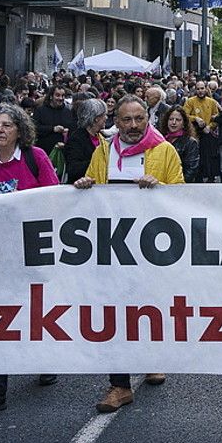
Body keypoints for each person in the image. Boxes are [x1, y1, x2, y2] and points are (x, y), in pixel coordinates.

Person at [74, 95, 184, 412]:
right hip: (114, 246)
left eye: (139, 119)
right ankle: (119, 385)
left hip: (151, 248)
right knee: (115, 312)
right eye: (126, 120)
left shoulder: (164, 151)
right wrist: (85, 185)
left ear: (148, 119)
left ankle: (151, 358)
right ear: (116, 122)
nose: (133, 126)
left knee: (148, 308)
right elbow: (93, 188)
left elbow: (181, 196)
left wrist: (159, 187)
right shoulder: (104, 151)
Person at [0, 105, 62, 419]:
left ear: (19, 130)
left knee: (36, 310)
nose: (0, 130)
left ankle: (44, 359)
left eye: (7, 125)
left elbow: (54, 199)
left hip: (32, 252)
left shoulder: (36, 158)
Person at [184, 79, 222, 182]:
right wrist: (195, 118)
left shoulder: (212, 102)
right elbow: (184, 116)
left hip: (208, 133)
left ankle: (210, 177)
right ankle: (198, 178)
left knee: (210, 156)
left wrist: (210, 126)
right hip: (195, 133)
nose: (200, 91)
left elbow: (218, 117)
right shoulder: (190, 101)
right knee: (197, 156)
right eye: (198, 89)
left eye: (202, 88)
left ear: (206, 89)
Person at [63, 97, 106, 185]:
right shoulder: (76, 139)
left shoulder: (101, 137)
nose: (106, 118)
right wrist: (98, 161)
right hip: (82, 188)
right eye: (104, 115)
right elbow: (73, 168)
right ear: (96, 118)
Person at [158, 106, 200, 178]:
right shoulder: (160, 139)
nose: (173, 122)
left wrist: (178, 183)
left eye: (178, 120)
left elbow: (191, 170)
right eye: (171, 119)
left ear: (184, 123)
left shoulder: (190, 142)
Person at [33, 86, 74, 155]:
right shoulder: (40, 110)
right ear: (51, 96)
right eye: (57, 95)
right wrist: (52, 129)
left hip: (63, 151)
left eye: (63, 96)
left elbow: (72, 128)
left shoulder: (68, 111)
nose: (61, 98)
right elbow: (35, 128)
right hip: (45, 150)